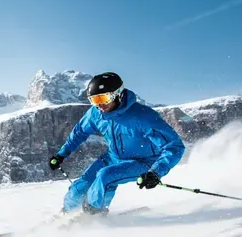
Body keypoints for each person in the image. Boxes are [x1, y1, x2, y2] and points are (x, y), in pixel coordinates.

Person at [49, 72, 185, 215]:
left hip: (143, 162)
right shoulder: (96, 114)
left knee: (105, 176)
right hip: (113, 157)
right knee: (78, 189)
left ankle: (93, 214)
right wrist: (61, 155)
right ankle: (66, 214)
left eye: (104, 98)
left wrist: (155, 172)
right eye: (94, 100)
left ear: (118, 94)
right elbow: (79, 133)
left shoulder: (142, 116)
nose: (100, 105)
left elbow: (174, 146)